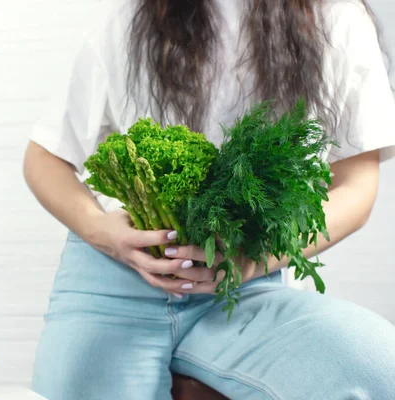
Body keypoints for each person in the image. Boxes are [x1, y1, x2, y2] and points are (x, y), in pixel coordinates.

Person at [23, 0, 395, 398]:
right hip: (115, 275)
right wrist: (103, 232)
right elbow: (44, 158)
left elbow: (356, 188)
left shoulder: (335, 17)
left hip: (248, 284)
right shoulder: (130, 14)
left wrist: (249, 261)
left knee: (376, 367)